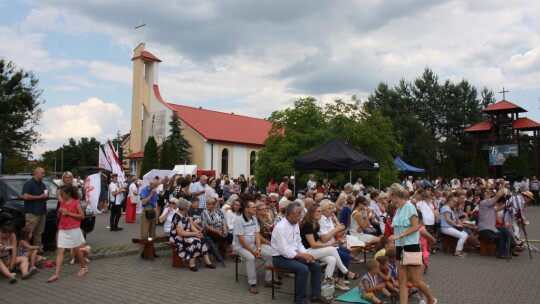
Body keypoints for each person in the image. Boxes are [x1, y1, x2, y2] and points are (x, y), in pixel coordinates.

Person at [271, 201, 331, 304]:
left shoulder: (295, 224)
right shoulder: (281, 227)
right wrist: (302, 255)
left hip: (293, 255)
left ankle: (316, 295)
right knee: (303, 269)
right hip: (280, 258)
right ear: (291, 214)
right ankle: (300, 299)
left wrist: (306, 254)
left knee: (316, 266)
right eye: (299, 213)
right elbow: (284, 251)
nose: (301, 215)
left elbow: (298, 243)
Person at [388, 183, 436, 304]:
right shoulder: (398, 210)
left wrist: (400, 235)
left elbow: (416, 226)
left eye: (390, 196)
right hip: (399, 247)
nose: (389, 199)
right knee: (402, 281)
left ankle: (431, 299)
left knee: (415, 281)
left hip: (411, 246)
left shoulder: (409, 206)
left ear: (394, 195)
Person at [301, 203, 359, 291]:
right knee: (332, 249)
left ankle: (326, 287)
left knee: (332, 260)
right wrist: (329, 245)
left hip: (313, 249)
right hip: (305, 251)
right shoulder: (307, 225)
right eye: (318, 212)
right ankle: (346, 272)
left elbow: (318, 241)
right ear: (312, 213)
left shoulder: (316, 225)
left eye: (321, 211)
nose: (320, 213)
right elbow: (313, 244)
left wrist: (335, 221)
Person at [233, 200, 276, 294]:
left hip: (253, 245)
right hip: (240, 247)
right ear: (246, 209)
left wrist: (259, 248)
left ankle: (268, 280)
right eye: (253, 207)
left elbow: (257, 234)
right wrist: (253, 252)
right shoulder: (239, 220)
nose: (255, 209)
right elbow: (242, 240)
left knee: (270, 254)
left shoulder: (254, 218)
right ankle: (252, 284)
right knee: (251, 257)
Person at [48, 184, 88, 283]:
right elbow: (60, 218)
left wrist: (69, 213)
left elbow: (82, 216)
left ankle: (84, 267)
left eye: (62, 194)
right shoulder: (62, 203)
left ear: (68, 193)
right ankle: (57, 274)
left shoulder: (76, 203)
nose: (61, 196)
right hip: (63, 228)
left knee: (77, 249)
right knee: (60, 250)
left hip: (73, 229)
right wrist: (59, 213)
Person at [318, 199, 357, 289]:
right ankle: (340, 280)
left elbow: (339, 233)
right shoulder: (321, 220)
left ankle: (341, 277)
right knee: (345, 256)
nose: (332, 210)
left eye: (332, 208)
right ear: (323, 210)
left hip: (332, 244)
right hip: (326, 246)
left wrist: (337, 224)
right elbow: (324, 239)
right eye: (329, 209)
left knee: (347, 252)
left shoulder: (329, 219)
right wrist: (336, 229)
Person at [169, 198, 215, 271]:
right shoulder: (177, 217)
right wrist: (194, 234)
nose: (188, 208)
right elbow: (181, 233)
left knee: (201, 238)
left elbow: (191, 225)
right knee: (193, 241)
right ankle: (192, 264)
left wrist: (198, 232)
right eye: (188, 207)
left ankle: (207, 262)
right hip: (177, 237)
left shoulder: (185, 214)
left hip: (187, 235)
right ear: (184, 208)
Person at [477, 187, 519, 259]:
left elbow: (498, 209)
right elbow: (498, 196)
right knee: (502, 233)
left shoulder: (489, 206)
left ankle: (512, 247)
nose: (488, 195)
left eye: (488, 193)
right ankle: (508, 249)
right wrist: (503, 186)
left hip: (489, 228)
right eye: (486, 194)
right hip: (485, 230)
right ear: (482, 196)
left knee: (503, 229)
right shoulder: (484, 202)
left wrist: (508, 205)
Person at [21, 167, 48, 251]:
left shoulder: (42, 184)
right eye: (42, 173)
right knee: (28, 233)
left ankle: (38, 250)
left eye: (44, 173)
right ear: (36, 173)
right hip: (32, 212)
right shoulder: (29, 183)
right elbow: (25, 196)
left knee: (39, 233)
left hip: (42, 211)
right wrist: (39, 197)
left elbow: (44, 196)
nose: (44, 175)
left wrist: (46, 196)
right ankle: (25, 251)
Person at [139, 179, 159, 259]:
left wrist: (156, 211)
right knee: (144, 232)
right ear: (151, 184)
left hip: (153, 210)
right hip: (147, 210)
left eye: (156, 186)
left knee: (152, 233)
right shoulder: (144, 190)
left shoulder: (155, 191)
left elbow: (156, 202)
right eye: (155, 186)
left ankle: (152, 251)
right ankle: (143, 252)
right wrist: (151, 194)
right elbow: (143, 202)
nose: (155, 188)